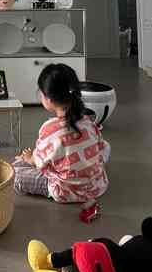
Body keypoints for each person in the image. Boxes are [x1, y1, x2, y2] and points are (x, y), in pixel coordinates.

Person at [12, 63, 110, 223]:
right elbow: (101, 147)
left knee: (14, 173)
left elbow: (38, 163)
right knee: (107, 147)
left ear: (48, 99)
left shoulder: (49, 129)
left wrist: (28, 157)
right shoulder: (88, 121)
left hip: (65, 191)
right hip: (97, 186)